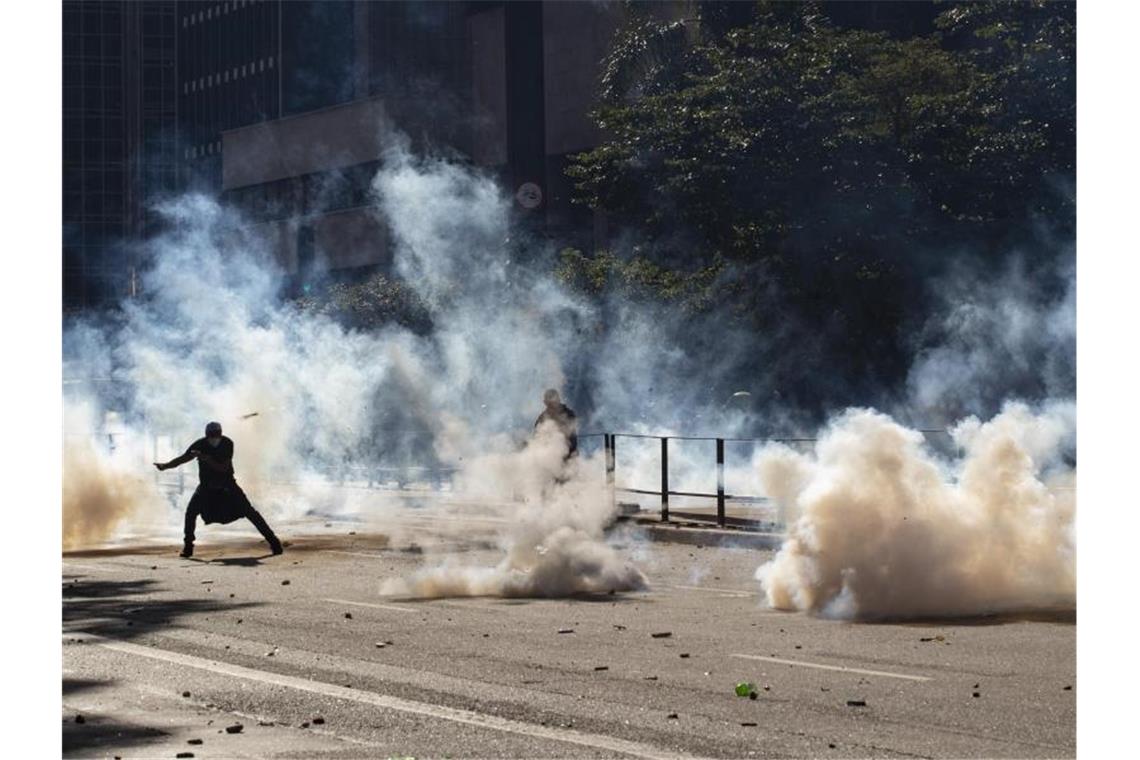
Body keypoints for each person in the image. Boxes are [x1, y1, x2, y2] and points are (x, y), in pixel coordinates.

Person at [154, 421, 282, 559]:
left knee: (250, 512)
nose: (214, 438)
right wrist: (166, 466)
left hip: (227, 484)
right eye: (211, 435)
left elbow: (223, 468)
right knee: (191, 512)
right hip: (206, 487)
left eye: (217, 435)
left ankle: (274, 542)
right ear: (206, 435)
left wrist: (206, 459)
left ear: (221, 434)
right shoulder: (200, 445)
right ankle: (188, 546)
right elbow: (183, 458)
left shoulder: (227, 443)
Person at [534, 389, 578, 459]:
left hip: (568, 456)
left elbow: (572, 437)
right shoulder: (542, 418)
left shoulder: (569, 414)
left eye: (553, 402)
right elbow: (537, 435)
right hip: (548, 457)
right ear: (545, 403)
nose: (551, 405)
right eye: (549, 403)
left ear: (558, 400)